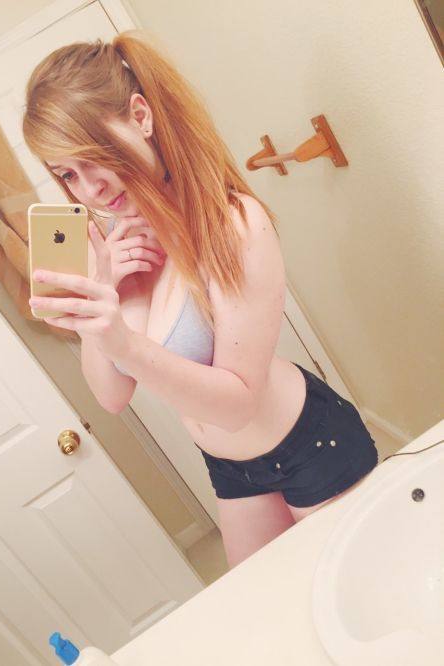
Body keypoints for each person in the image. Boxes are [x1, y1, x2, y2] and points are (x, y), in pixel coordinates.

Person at [23, 31, 379, 569]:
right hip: (229, 465)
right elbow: (112, 397)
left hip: (307, 442)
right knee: (262, 605)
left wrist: (123, 340)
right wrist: (101, 297)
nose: (89, 188)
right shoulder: (117, 244)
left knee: (354, 595)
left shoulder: (231, 224)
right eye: (67, 173)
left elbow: (238, 404)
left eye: (94, 157)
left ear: (140, 116)